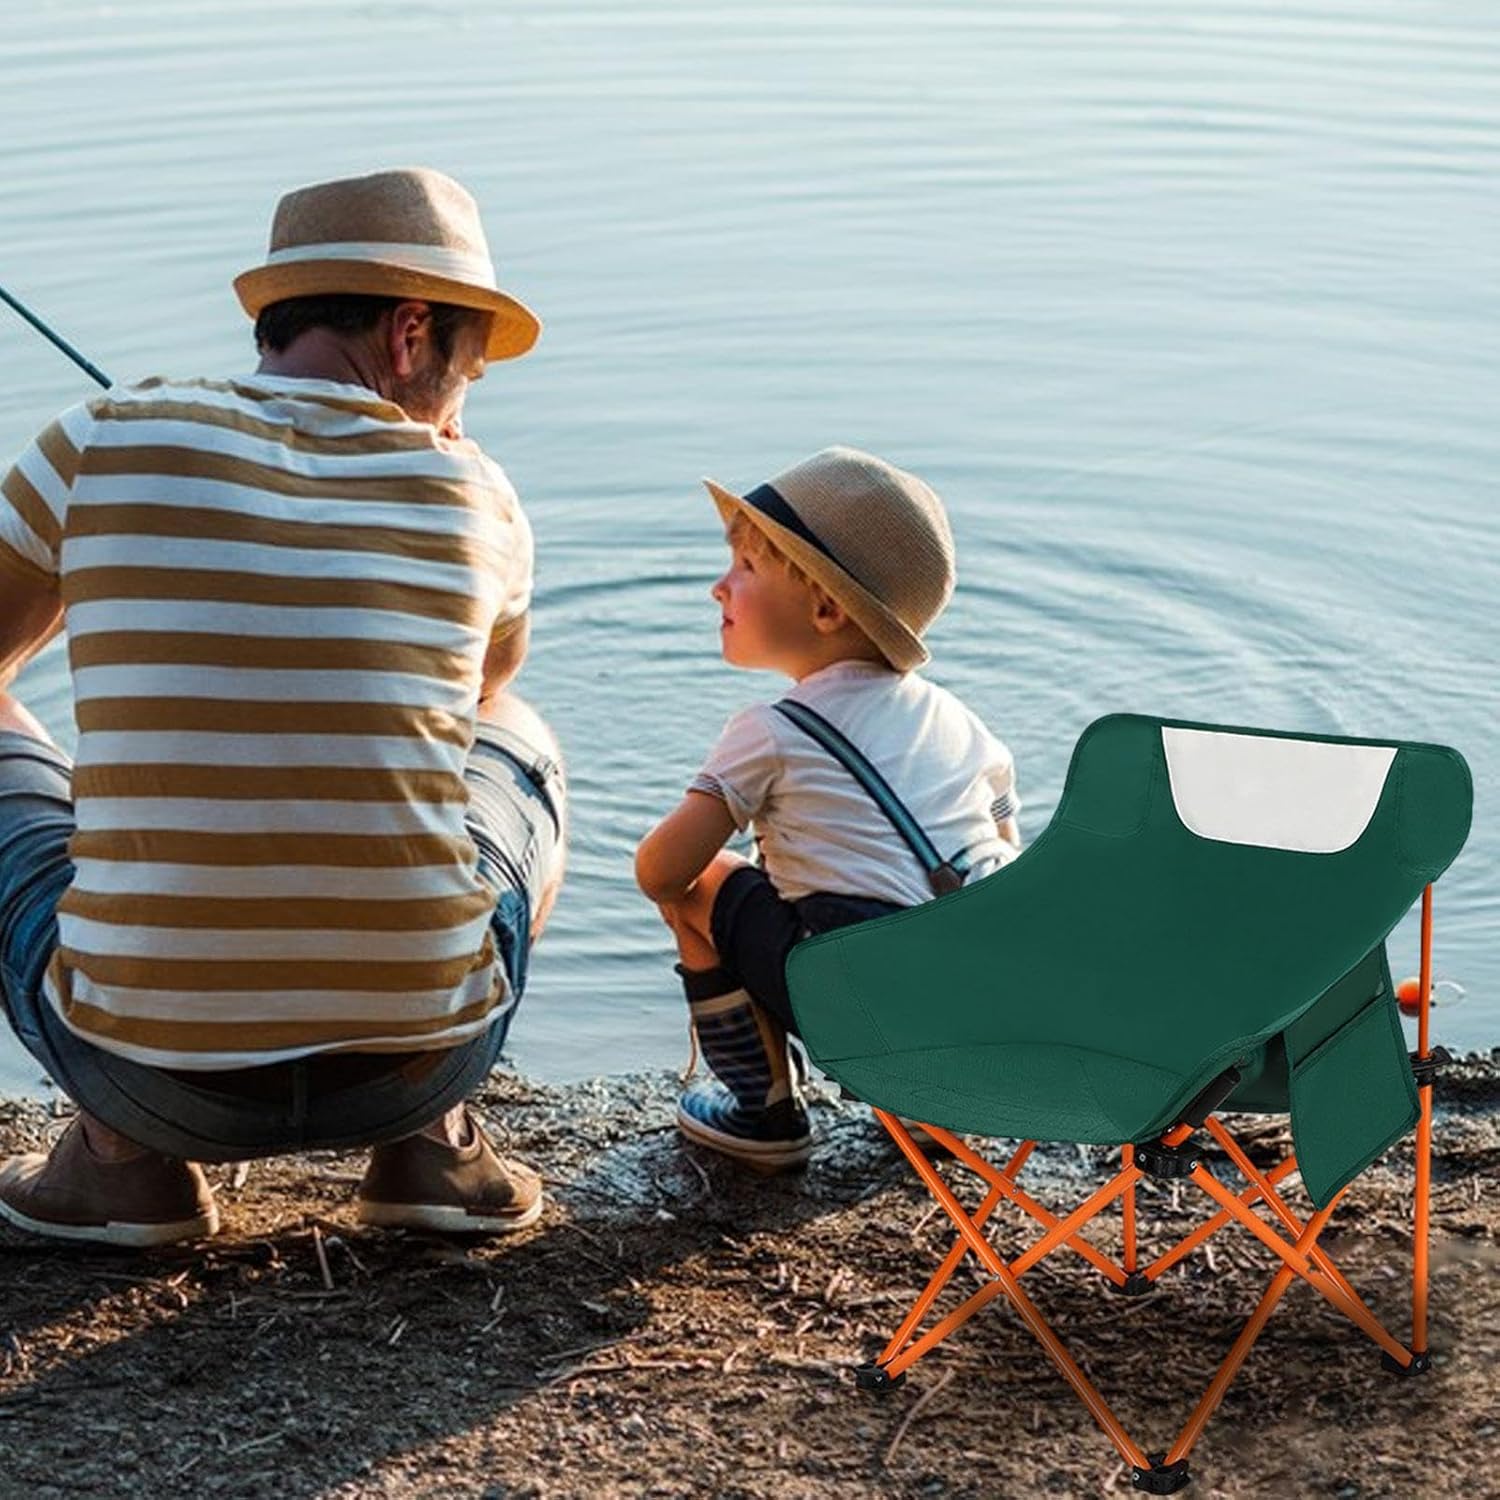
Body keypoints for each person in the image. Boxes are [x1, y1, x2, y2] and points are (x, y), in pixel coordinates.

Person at [0, 167, 567, 1245]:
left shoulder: (98, 440)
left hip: (145, 1076)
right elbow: (483, 695)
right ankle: (431, 1147)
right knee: (524, 739)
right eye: (469, 367)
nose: (463, 400)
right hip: (416, 1061)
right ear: (410, 334)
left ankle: (120, 1162)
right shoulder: (480, 494)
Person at [635, 447, 1021, 1170]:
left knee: (704, 884)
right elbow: (1005, 846)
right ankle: (933, 1109)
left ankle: (764, 1113)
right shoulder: (962, 723)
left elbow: (660, 872)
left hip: (867, 1017)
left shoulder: (768, 732)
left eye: (745, 568)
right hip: (983, 1016)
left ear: (825, 607)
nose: (719, 587)